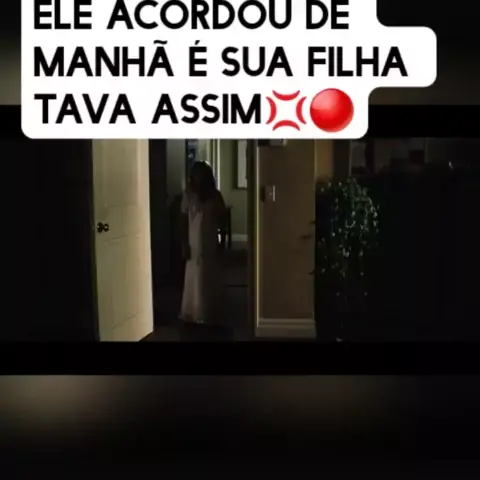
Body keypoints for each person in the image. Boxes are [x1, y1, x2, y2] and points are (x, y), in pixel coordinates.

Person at [179, 161, 226, 326]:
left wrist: (222, 242)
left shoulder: (215, 196)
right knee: (194, 274)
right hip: (193, 239)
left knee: (209, 274)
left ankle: (209, 311)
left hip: (209, 238)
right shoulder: (188, 195)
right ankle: (193, 310)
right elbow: (183, 221)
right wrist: (184, 243)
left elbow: (222, 219)